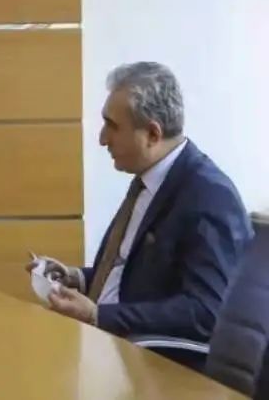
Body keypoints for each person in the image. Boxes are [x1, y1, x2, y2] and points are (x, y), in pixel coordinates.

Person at [29, 62, 252, 342]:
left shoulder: (210, 196)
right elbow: (135, 277)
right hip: (109, 343)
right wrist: (77, 278)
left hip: (150, 359)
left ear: (153, 134)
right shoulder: (146, 182)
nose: (102, 139)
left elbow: (205, 313)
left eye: (112, 126)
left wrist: (99, 316)